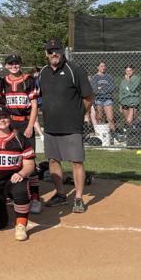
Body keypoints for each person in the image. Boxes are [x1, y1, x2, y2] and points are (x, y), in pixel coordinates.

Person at [39, 38, 93, 213]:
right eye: (50, 51)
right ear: (46, 54)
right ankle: (61, 194)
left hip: (71, 126)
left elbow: (88, 97)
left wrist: (78, 115)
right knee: (53, 160)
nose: (54, 54)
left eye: (57, 50)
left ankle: (78, 198)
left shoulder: (74, 70)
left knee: (76, 161)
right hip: (51, 126)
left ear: (62, 52)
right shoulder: (43, 73)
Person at [0, 105, 35, 241]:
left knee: (21, 188)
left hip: (13, 180)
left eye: (5, 116)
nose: (2, 120)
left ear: (9, 118)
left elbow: (29, 164)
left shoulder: (20, 138)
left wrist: (21, 174)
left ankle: (21, 226)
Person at [2, 54, 42, 214]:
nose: (14, 65)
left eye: (17, 63)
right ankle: (13, 194)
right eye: (11, 63)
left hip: (24, 122)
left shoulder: (29, 80)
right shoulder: (3, 82)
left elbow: (34, 105)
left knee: (29, 160)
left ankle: (35, 197)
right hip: (9, 123)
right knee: (12, 158)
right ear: (6, 66)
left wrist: (30, 126)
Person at [91, 61, 115, 133]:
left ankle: (112, 135)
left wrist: (101, 88)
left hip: (108, 99)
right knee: (100, 118)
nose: (103, 68)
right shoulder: (95, 77)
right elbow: (94, 90)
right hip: (98, 99)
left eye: (104, 66)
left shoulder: (109, 77)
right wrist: (105, 89)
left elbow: (112, 88)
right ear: (98, 67)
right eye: (101, 66)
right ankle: (102, 133)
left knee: (110, 118)